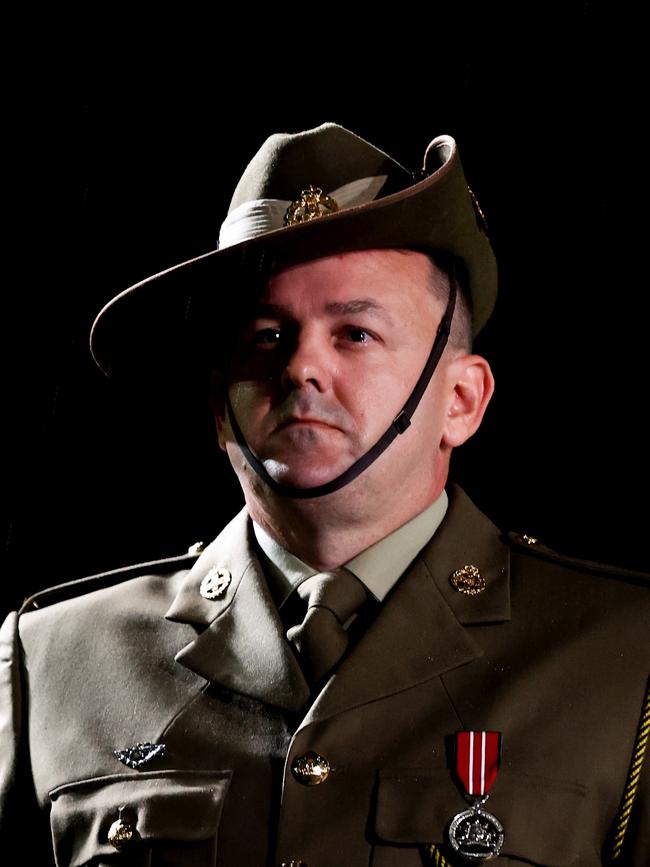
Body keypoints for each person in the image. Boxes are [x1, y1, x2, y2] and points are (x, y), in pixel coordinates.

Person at [0, 122, 648, 866]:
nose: (302, 367)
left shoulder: (625, 658)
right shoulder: (56, 657)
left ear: (462, 400)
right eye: (269, 335)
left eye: (355, 334)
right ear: (220, 408)